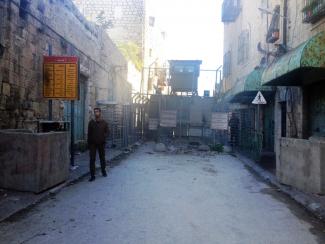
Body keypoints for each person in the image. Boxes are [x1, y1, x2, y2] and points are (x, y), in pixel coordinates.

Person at [87, 107, 109, 182]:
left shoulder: (104, 122)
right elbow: (89, 134)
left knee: (102, 158)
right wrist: (89, 144)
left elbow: (107, 132)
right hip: (92, 144)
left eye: (97, 112)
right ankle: (92, 176)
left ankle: (103, 171)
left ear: (100, 113)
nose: (96, 113)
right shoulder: (91, 122)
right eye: (95, 112)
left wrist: (103, 138)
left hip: (101, 143)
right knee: (92, 159)